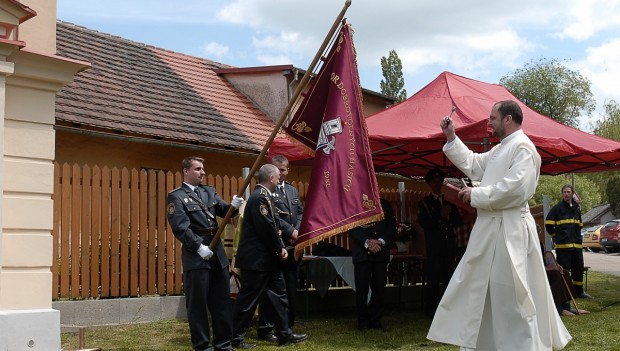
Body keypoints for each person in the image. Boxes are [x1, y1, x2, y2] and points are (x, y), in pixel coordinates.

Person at [427, 100, 572, 350]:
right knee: (484, 291)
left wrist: (476, 195)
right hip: (491, 230)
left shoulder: (523, 148)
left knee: (511, 296)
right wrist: (451, 137)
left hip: (510, 231)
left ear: (508, 119)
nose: (489, 121)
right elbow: (474, 164)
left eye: (493, 117)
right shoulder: (501, 149)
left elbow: (516, 188)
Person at [167, 156, 244, 351]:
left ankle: (223, 344)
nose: (203, 172)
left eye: (203, 169)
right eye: (198, 168)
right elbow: (181, 228)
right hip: (197, 255)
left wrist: (233, 206)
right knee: (198, 305)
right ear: (186, 171)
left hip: (216, 254)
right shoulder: (176, 196)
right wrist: (199, 247)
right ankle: (202, 346)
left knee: (221, 303)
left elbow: (223, 210)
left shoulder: (209, 192)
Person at [232, 164, 307, 348]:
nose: (280, 179)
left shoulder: (265, 197)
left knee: (280, 296)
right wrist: (279, 248)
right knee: (248, 301)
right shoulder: (259, 198)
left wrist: (284, 240)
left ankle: (284, 334)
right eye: (277, 176)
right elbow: (266, 228)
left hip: (267, 262)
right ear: (271, 178)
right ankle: (235, 337)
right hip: (257, 261)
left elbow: (276, 223)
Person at [256, 155, 304, 343]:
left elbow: (299, 212)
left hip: (293, 247)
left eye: (284, 170)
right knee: (271, 290)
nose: (281, 173)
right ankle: (268, 326)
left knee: (290, 288)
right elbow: (272, 217)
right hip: (276, 246)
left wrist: (298, 231)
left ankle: (287, 325)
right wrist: (291, 231)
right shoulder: (266, 191)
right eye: (278, 169)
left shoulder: (292, 190)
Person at [417, 168, 462, 317]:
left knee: (449, 277)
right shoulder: (424, 203)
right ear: (429, 184)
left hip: (449, 246)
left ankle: (449, 310)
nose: (437, 184)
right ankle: (432, 311)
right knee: (434, 279)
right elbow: (425, 223)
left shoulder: (449, 202)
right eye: (434, 182)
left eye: (439, 181)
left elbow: (457, 221)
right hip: (434, 246)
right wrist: (441, 216)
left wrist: (448, 217)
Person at [348, 198, 396, 331]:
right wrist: (367, 242)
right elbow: (350, 226)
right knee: (362, 289)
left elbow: (391, 227)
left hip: (380, 252)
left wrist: (380, 241)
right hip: (362, 253)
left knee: (379, 288)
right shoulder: (354, 202)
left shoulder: (385, 204)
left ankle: (376, 320)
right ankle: (363, 321)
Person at [545, 184, 593, 299]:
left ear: (572, 194)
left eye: (568, 192)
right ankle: (566, 293)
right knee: (564, 270)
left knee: (578, 269)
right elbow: (548, 225)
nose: (567, 194)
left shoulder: (576, 208)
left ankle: (579, 292)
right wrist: (556, 236)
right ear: (562, 194)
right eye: (565, 192)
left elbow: (580, 225)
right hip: (563, 247)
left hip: (576, 246)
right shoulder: (557, 209)